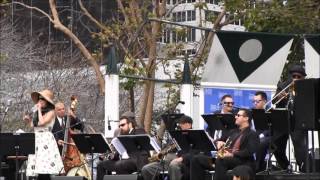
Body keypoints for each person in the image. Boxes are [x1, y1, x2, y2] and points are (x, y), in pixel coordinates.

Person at [189, 109, 259, 180]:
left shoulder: (252, 134)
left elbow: (249, 151)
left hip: (240, 161)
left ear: (246, 118)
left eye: (238, 115)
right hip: (220, 160)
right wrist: (218, 142)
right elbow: (219, 140)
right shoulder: (233, 132)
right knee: (196, 159)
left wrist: (232, 154)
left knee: (221, 160)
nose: (235, 117)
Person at [272, 64, 308, 172]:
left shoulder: (306, 87)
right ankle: (286, 167)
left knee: (299, 147)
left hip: (298, 121)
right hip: (283, 121)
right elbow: (274, 101)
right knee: (276, 146)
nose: (296, 79)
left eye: (298, 77)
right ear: (290, 76)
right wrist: (279, 97)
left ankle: (303, 170)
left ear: (303, 78)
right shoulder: (283, 86)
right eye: (294, 76)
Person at [23, 89, 64, 179]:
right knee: (38, 167)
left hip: (46, 139)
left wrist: (38, 109)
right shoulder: (38, 113)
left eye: (42, 99)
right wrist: (28, 120)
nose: (40, 101)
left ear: (47, 102)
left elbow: (42, 123)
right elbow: (33, 125)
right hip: (37, 138)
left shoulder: (51, 112)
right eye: (39, 99)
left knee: (45, 166)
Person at [141, 115, 193, 180]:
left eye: (182, 124)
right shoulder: (179, 136)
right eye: (180, 124)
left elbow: (195, 153)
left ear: (189, 125)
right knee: (146, 169)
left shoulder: (195, 136)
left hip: (185, 163)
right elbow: (173, 150)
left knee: (174, 165)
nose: (180, 126)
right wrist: (163, 154)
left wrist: (182, 158)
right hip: (171, 161)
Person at [96, 115, 148, 180]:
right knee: (101, 164)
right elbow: (119, 152)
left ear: (130, 124)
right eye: (119, 126)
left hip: (135, 161)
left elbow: (141, 145)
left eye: (123, 125)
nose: (120, 127)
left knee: (121, 164)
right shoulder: (121, 135)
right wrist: (112, 156)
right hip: (121, 161)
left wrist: (127, 137)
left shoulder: (139, 131)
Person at [251, 91, 271, 172]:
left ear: (265, 101)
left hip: (266, 137)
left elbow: (270, 129)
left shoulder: (270, 111)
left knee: (261, 142)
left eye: (257, 101)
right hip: (254, 135)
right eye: (254, 101)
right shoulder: (252, 112)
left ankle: (257, 167)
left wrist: (260, 136)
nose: (255, 103)